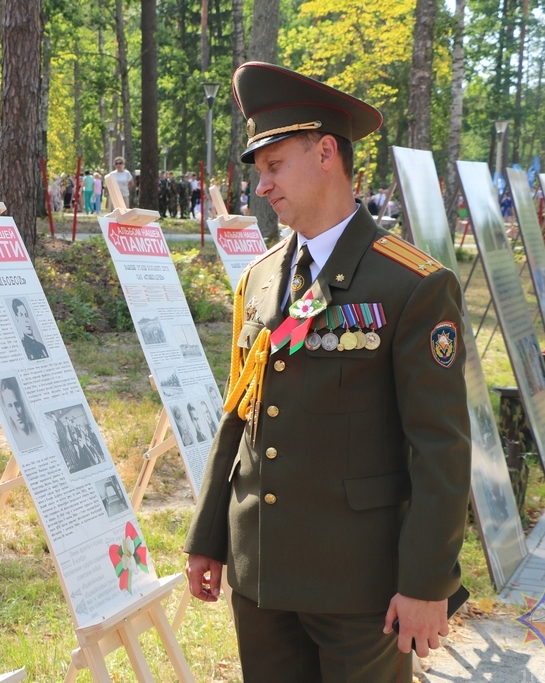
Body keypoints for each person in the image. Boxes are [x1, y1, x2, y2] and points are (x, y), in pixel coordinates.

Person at [183, 62, 471, 683]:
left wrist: (426, 585)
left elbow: (441, 448)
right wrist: (208, 535)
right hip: (261, 574)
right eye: (258, 170)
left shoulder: (410, 285)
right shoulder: (260, 280)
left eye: (274, 165)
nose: (262, 185)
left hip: (359, 589)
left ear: (325, 154)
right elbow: (240, 414)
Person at [0, 377, 40, 451]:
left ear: (22, 404)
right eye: (10, 406)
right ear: (6, 410)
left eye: (17, 404)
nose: (16, 412)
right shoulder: (12, 437)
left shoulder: (38, 429)